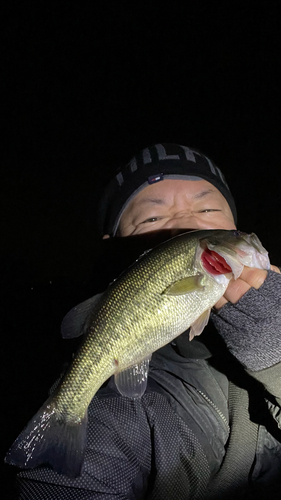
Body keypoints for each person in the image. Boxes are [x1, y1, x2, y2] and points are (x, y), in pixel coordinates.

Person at [15, 143, 281, 499]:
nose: (186, 224)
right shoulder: (127, 414)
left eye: (206, 207)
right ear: (114, 248)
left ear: (234, 224)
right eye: (153, 219)